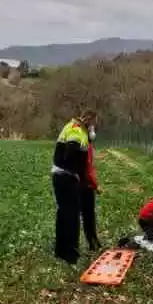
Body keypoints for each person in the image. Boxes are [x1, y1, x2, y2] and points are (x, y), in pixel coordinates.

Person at [52, 110, 96, 264]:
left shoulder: (71, 125)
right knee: (71, 216)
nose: (93, 128)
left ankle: (60, 250)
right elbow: (70, 153)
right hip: (66, 176)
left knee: (62, 213)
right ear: (89, 120)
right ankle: (71, 253)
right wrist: (75, 172)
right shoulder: (77, 131)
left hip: (59, 174)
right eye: (93, 123)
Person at [81, 127, 102, 253]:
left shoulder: (81, 144)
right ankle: (92, 242)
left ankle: (93, 240)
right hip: (85, 185)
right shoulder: (86, 146)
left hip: (78, 183)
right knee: (88, 214)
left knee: (85, 214)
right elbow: (88, 168)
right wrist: (96, 186)